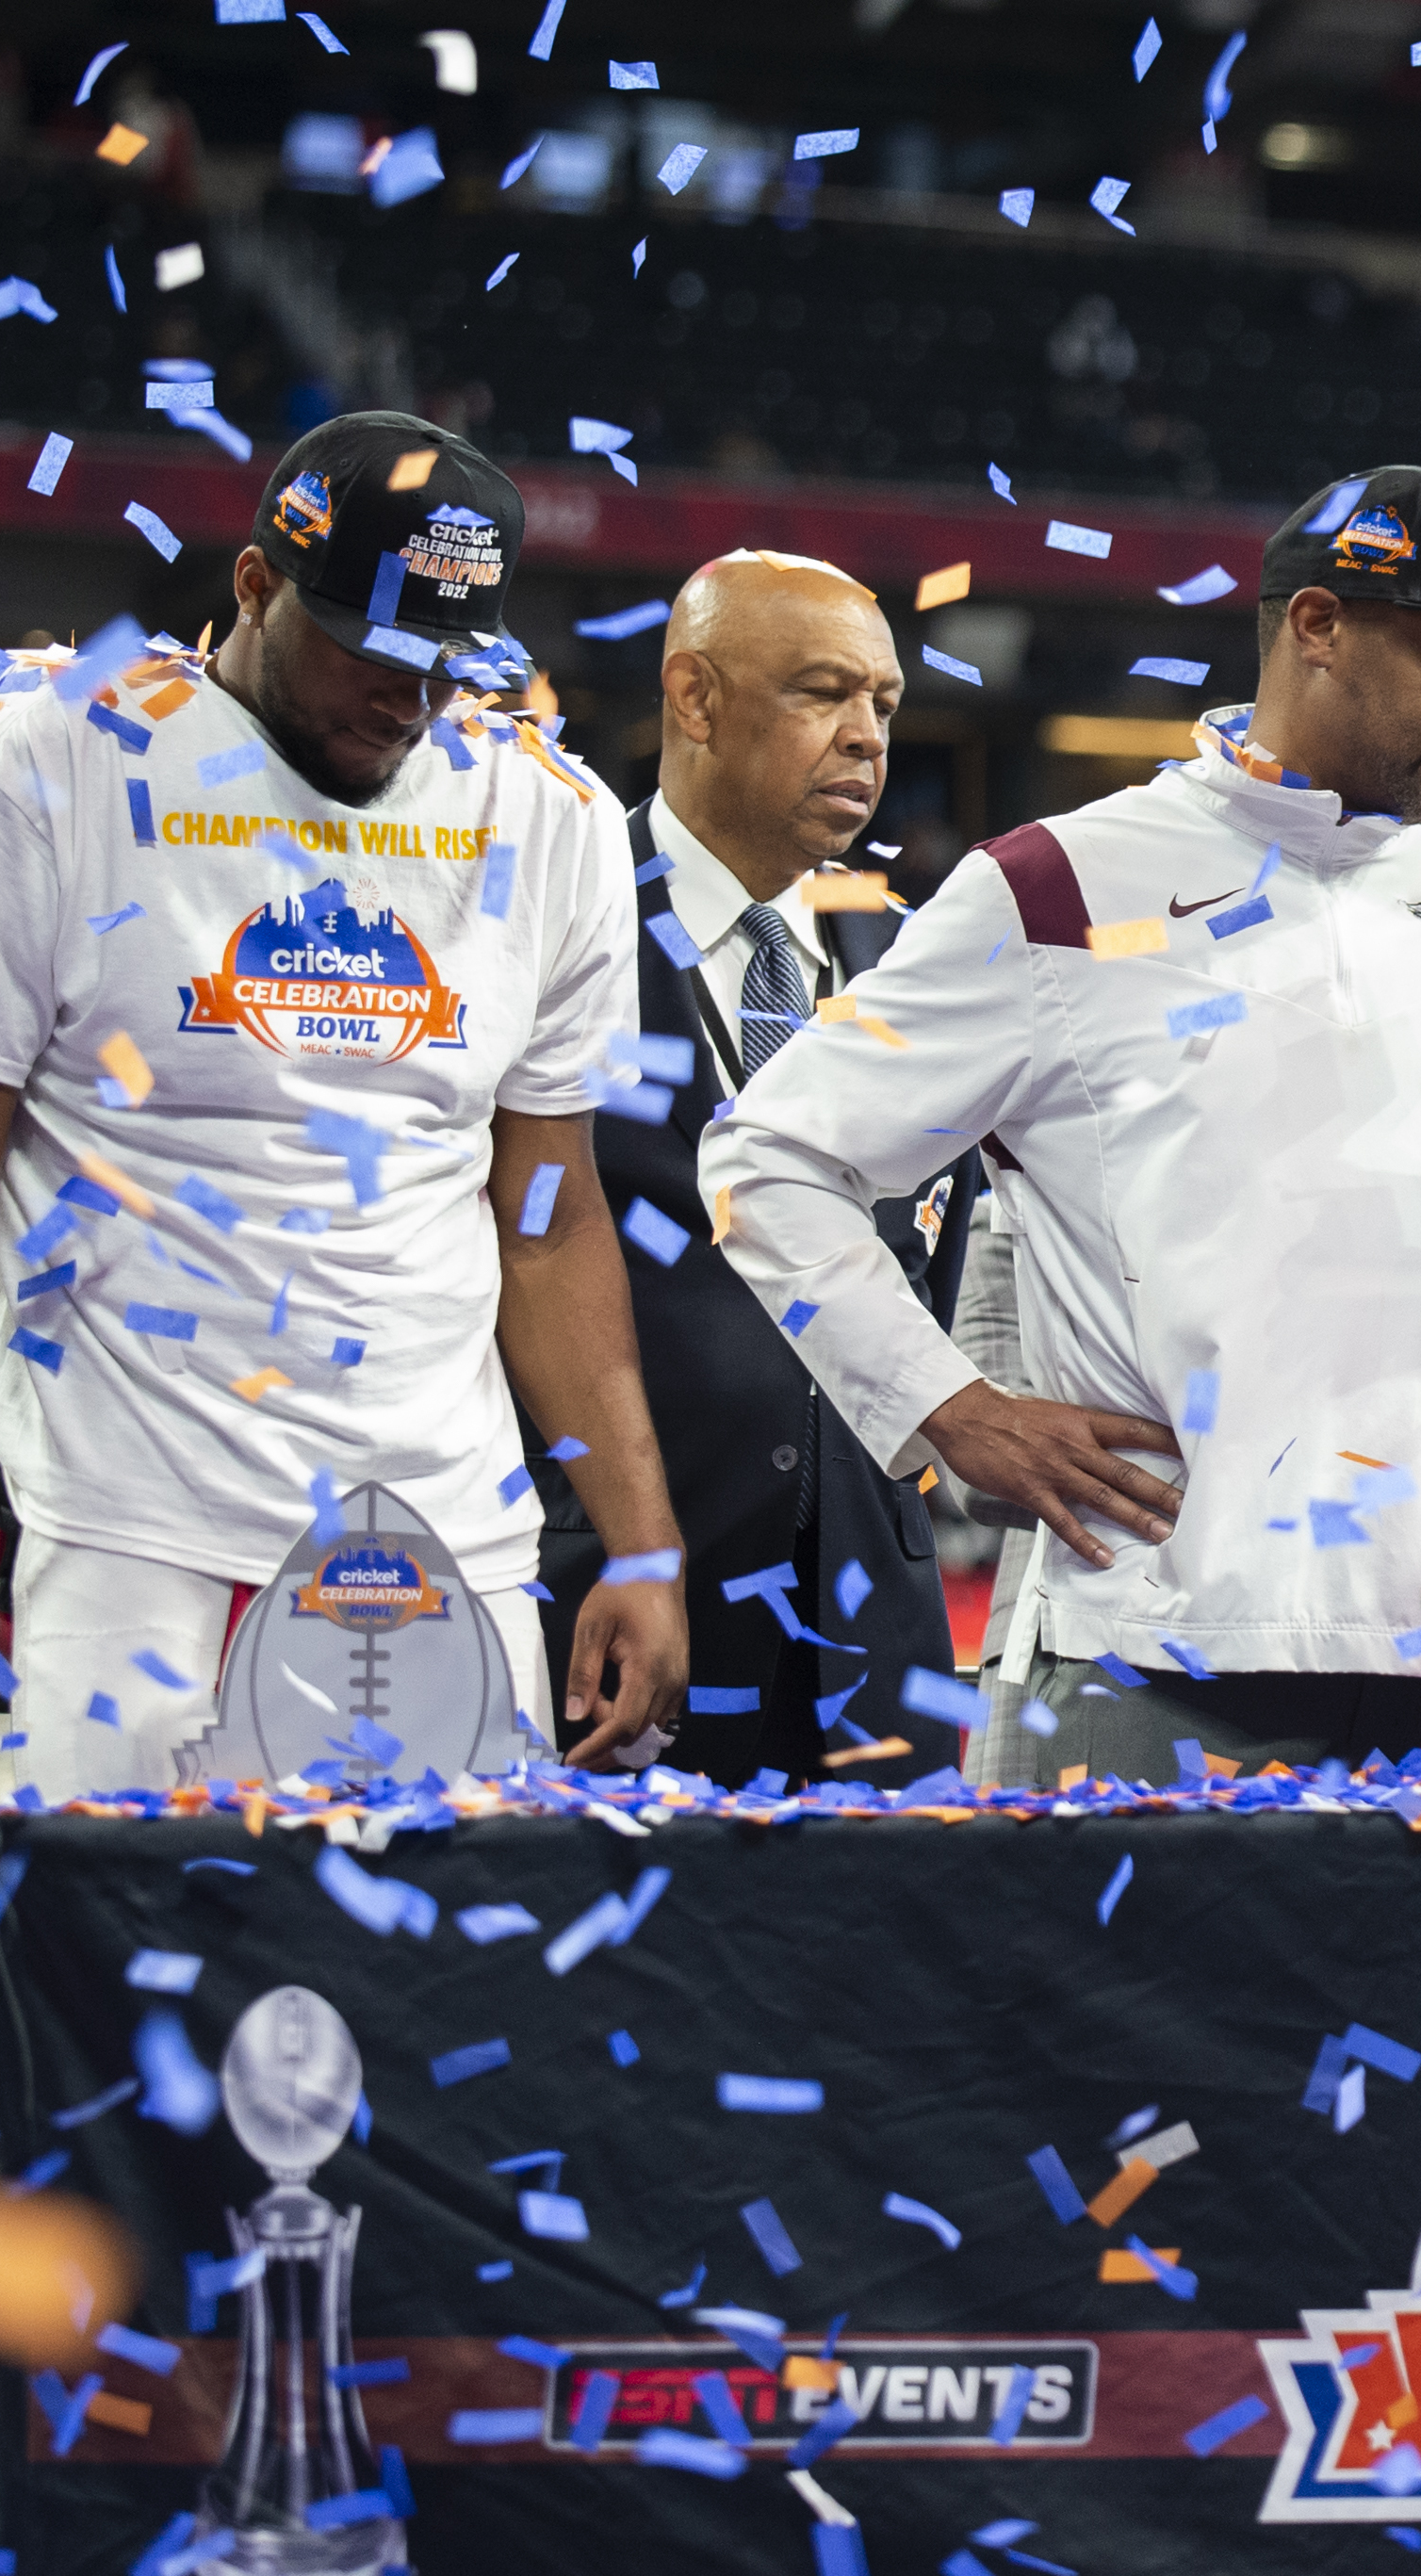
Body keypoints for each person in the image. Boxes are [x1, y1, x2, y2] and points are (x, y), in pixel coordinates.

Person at [0, 411, 686, 1794]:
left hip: (456, 1543)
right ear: (255, 583)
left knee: (452, 2003)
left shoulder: (547, 812)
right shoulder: (39, 759)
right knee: (145, 1999)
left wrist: (639, 1542)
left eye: (445, 665)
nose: (408, 697)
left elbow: (548, 1224)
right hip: (146, 1545)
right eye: (370, 650)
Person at [703, 464, 1421, 1777]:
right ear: (1317, 625)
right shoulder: (1056, 884)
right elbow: (765, 1158)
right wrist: (950, 1407)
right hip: (1150, 1651)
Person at [528, 550, 973, 1790]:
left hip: (876, 1642)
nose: (864, 736)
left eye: (881, 703)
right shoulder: (560, 920)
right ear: (695, 696)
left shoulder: (917, 959)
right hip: (612, 1610)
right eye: (822, 692)